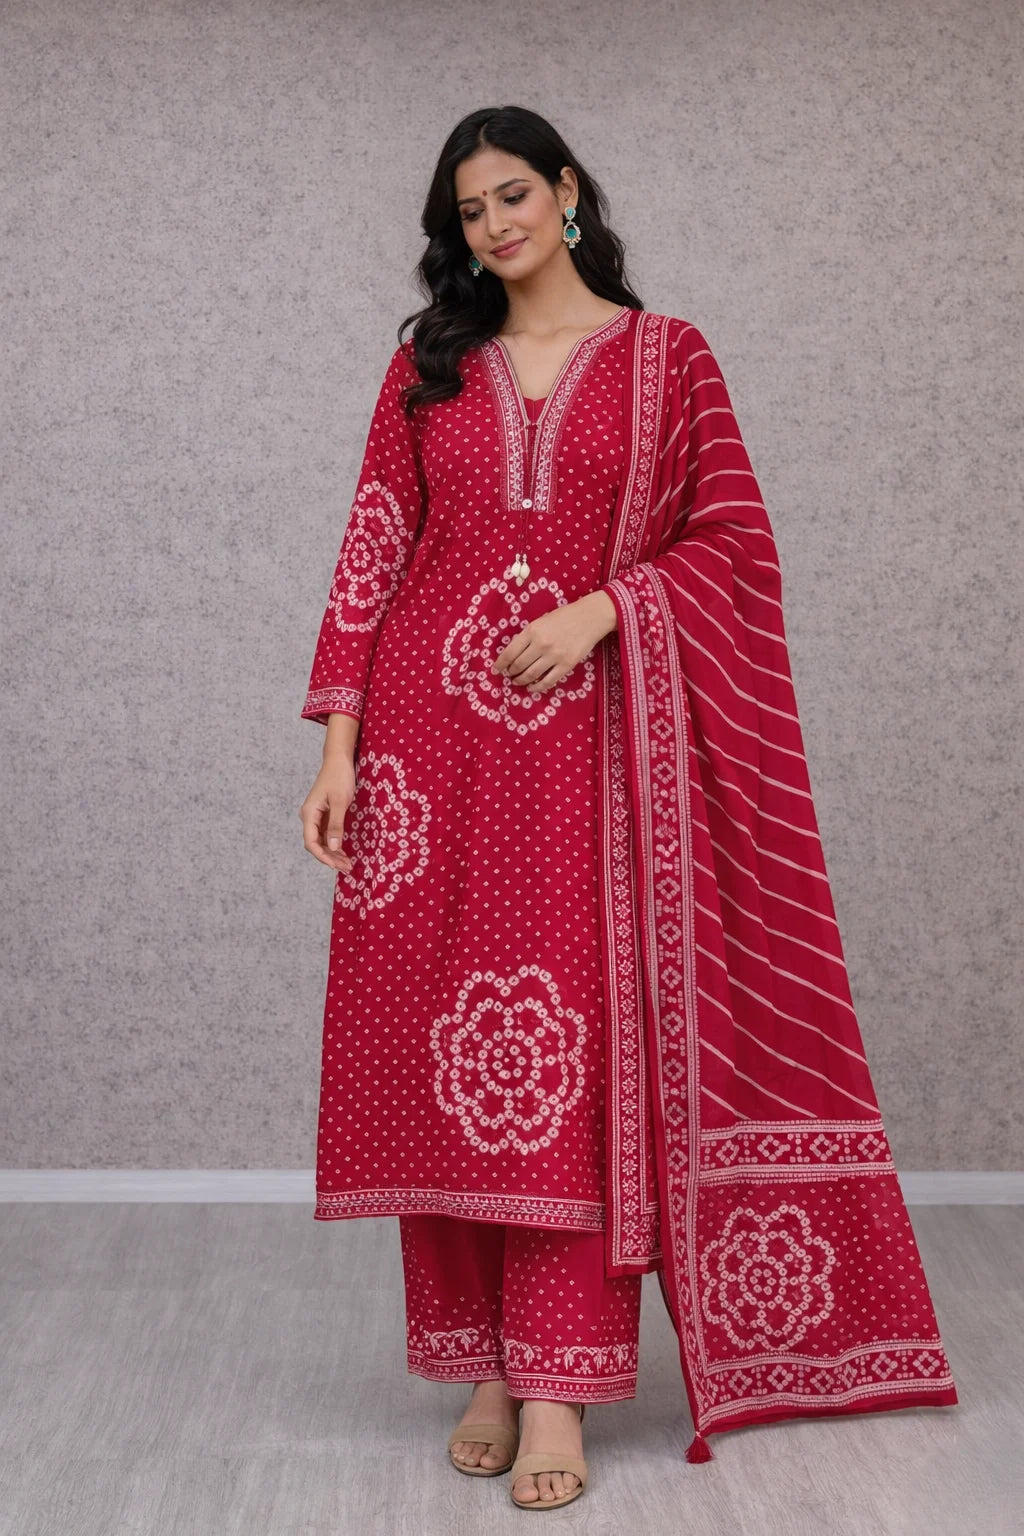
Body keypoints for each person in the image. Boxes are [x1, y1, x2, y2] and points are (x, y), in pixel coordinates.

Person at [298, 105, 958, 1510]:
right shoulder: (429, 366)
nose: (496, 225)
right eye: (471, 209)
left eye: (515, 193)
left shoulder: (671, 360)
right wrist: (341, 749)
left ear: (569, 192)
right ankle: (482, 1362)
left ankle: (563, 1389)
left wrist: (610, 604)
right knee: (445, 1061)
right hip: (427, 760)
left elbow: (735, 547)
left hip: (591, 763)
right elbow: (372, 543)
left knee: (560, 1065)